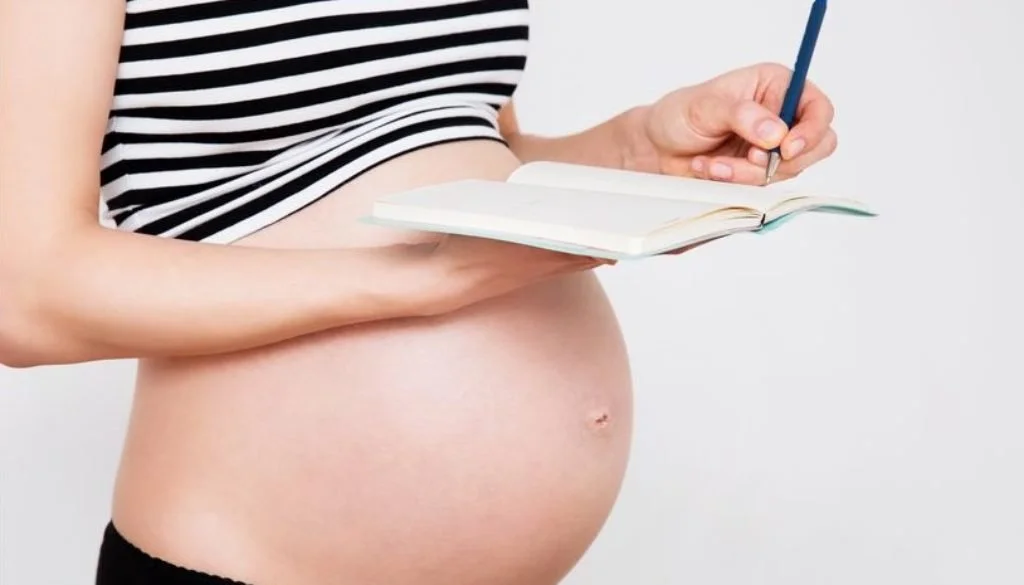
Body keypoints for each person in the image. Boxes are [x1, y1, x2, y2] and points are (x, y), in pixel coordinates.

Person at [0, 1, 838, 583]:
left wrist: (636, 148)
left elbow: (462, 151)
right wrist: (418, 282)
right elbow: (24, 294)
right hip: (244, 564)